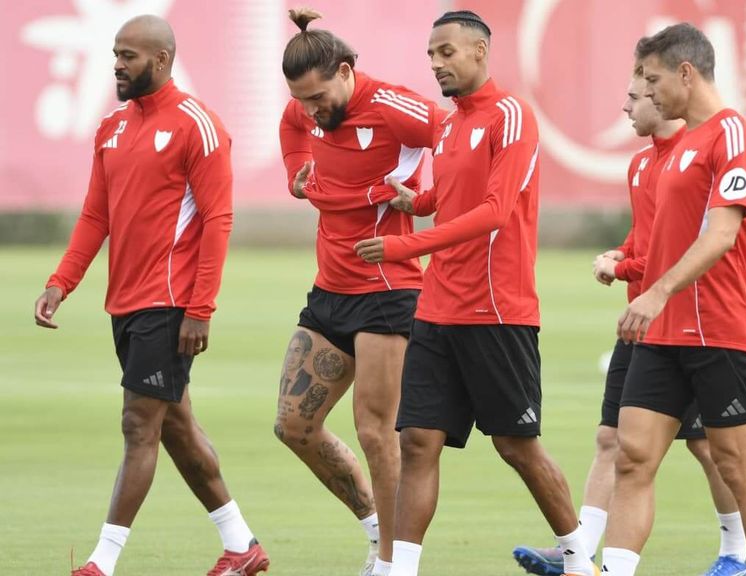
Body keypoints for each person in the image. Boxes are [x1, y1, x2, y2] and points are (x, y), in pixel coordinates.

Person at [353, 10, 595, 576]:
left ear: (480, 51)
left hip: (497, 311)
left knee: (516, 447)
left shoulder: (513, 116)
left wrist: (405, 247)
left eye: (447, 53)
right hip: (438, 308)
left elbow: (494, 211)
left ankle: (583, 562)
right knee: (417, 441)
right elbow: (457, 190)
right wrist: (421, 201)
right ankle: (401, 569)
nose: (436, 64)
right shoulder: (449, 124)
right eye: (431, 55)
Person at [34, 15, 268, 576]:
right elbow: (97, 215)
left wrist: (200, 308)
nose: (117, 63)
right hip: (126, 304)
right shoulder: (112, 127)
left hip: (169, 305)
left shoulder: (197, 126)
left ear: (161, 61)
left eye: (129, 55)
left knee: (139, 424)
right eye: (115, 53)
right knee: (177, 428)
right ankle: (242, 548)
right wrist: (62, 281)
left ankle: (101, 563)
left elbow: (218, 220)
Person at [510, 65, 746, 576]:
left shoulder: (696, 155)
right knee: (612, 440)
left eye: (636, 95)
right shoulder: (642, 164)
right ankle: (581, 556)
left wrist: (625, 268)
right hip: (643, 326)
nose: (626, 106)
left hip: (690, 324)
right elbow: (646, 241)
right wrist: (619, 255)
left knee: (712, 449)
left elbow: (689, 248)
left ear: (662, 100)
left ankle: (737, 552)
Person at [602, 22, 746, 576]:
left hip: (719, 332)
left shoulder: (734, 137)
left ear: (686, 72)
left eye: (654, 80)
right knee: (632, 459)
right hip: (662, 335)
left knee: (740, 467)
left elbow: (722, 235)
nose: (647, 92)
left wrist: (654, 292)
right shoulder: (682, 145)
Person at [276, 8, 439, 575]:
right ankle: (376, 530)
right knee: (293, 426)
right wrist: (297, 169)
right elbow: (292, 126)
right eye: (303, 99)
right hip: (329, 290)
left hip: (387, 290)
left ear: (346, 71)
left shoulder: (394, 107)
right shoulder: (308, 110)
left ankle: (395, 564)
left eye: (319, 96)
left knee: (375, 432)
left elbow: (464, 144)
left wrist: (422, 197)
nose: (312, 110)